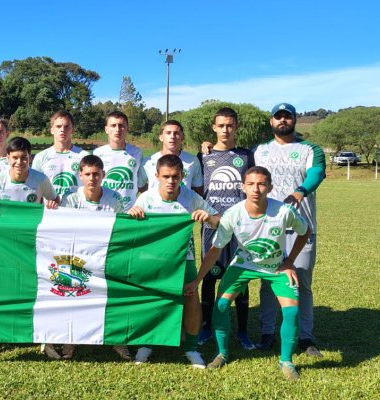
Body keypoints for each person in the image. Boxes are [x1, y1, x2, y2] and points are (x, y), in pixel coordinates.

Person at [184, 166, 309, 380]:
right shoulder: (233, 214)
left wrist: (289, 261)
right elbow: (215, 250)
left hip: (276, 266)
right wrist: (197, 280)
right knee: (221, 306)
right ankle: (222, 353)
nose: (256, 189)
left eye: (261, 184)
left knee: (292, 312)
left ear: (270, 187)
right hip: (243, 265)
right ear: (243, 187)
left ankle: (286, 361)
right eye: (250, 184)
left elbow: (304, 232)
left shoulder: (284, 211)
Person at [127, 154, 219, 368]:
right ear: (157, 176)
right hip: (152, 258)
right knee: (150, 301)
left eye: (175, 176)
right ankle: (146, 344)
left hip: (184, 259)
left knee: (191, 299)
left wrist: (208, 217)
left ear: (182, 176)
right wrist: (132, 213)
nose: (171, 181)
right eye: (166, 176)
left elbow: (218, 221)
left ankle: (192, 348)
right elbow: (131, 228)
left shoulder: (190, 197)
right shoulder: (146, 198)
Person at [253, 103, 325, 357]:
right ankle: (267, 333)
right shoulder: (259, 151)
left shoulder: (310, 149)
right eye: (278, 117)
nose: (282, 120)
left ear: (294, 120)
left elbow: (317, 173)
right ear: (271, 121)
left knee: (301, 281)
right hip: (268, 228)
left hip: (302, 227)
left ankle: (305, 338)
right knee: (268, 282)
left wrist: (300, 191)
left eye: (287, 116)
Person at [0, 136, 60, 360]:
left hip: (33, 244)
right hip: (5, 246)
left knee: (40, 290)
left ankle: (46, 341)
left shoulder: (40, 179)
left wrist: (53, 204)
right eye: (15, 158)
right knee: (2, 291)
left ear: (30, 158)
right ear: (7, 158)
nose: (19, 162)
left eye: (24, 158)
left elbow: (55, 201)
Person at [59, 154, 129, 361]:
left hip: (106, 256)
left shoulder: (114, 198)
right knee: (73, 299)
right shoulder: (70, 198)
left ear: (103, 175)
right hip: (77, 257)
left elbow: (122, 227)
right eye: (88, 174)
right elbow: (61, 229)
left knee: (112, 299)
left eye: (96, 174)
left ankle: (117, 340)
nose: (92, 178)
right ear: (80, 175)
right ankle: (70, 340)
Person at [196, 107, 255, 350]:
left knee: (241, 276)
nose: (225, 130)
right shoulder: (203, 156)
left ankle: (243, 331)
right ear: (214, 127)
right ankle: (206, 326)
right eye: (221, 125)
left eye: (230, 125)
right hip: (212, 225)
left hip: (240, 226)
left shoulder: (246, 156)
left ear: (236, 127)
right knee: (210, 277)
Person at [92, 111, 147, 211]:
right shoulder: (98, 153)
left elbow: (140, 184)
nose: (117, 129)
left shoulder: (137, 153)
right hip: (105, 210)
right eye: (113, 125)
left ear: (127, 128)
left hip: (129, 212)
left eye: (121, 126)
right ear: (106, 129)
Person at [32, 110, 89, 198]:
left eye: (66, 126)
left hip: (76, 206)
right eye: (58, 126)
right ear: (52, 130)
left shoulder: (84, 156)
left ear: (72, 130)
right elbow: (34, 187)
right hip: (49, 206)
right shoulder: (41, 157)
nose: (62, 130)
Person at [144, 120, 203, 195]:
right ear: (161, 137)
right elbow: (139, 186)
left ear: (182, 137)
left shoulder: (192, 160)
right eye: (168, 133)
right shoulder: (148, 161)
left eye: (176, 133)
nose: (172, 136)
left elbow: (198, 188)